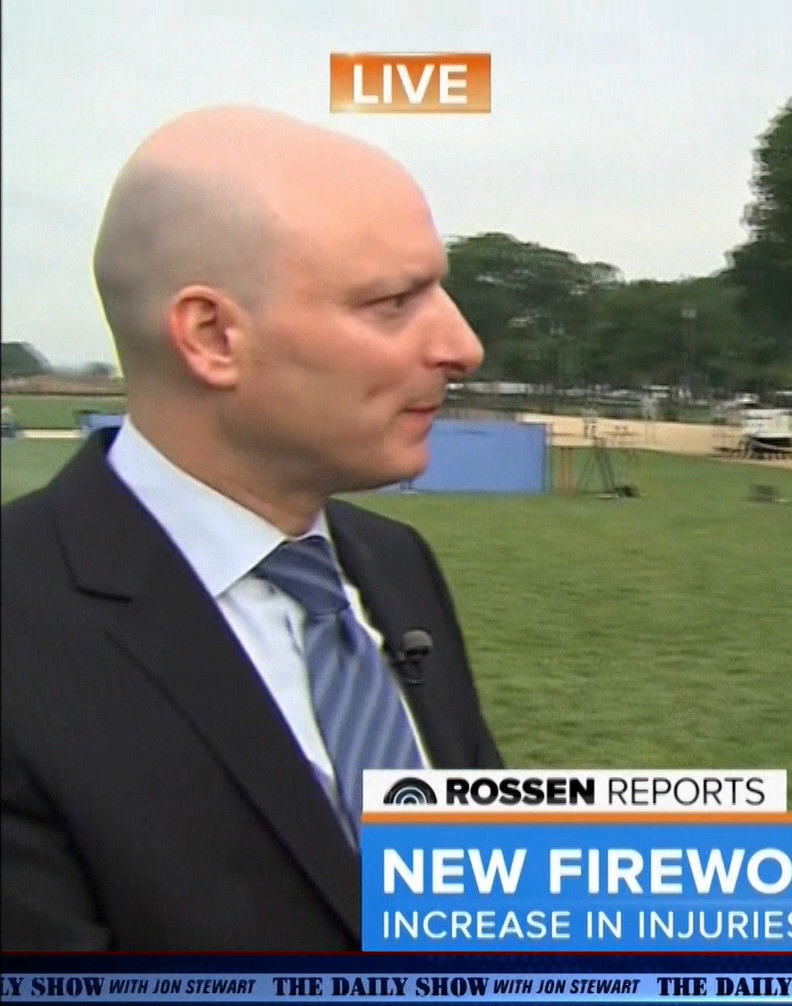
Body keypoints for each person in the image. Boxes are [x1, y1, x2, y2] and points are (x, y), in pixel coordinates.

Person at [2, 106, 504, 950]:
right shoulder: (21, 631)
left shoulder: (395, 562)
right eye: (392, 302)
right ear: (213, 337)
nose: (463, 345)